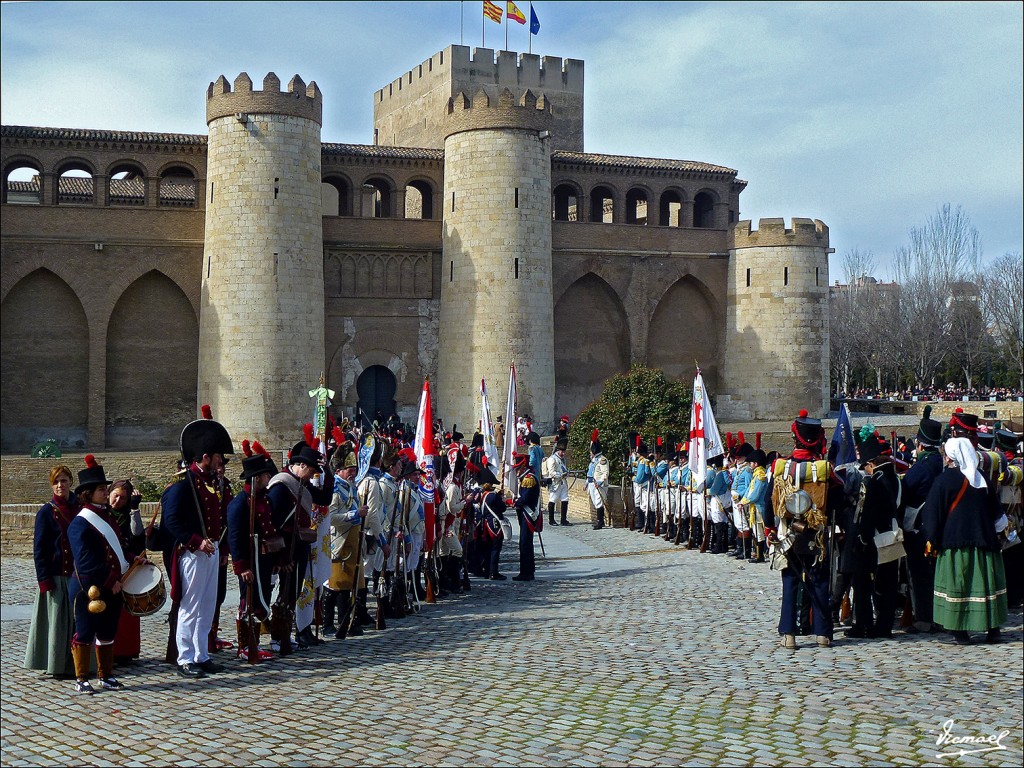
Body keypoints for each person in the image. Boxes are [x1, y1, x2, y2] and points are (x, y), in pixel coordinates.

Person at [161, 406, 234, 678]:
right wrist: (196, 542)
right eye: (218, 458)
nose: (221, 463)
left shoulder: (215, 484)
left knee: (208, 605)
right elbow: (172, 521)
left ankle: (202, 654)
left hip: (212, 551)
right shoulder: (184, 485)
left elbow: (222, 520)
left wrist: (221, 548)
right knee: (191, 606)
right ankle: (185, 657)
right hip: (193, 553)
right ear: (205, 457)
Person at [922, 437, 1007, 644]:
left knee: (959, 585)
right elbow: (999, 516)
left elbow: (932, 513)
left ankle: (960, 631)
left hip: (955, 545)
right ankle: (993, 629)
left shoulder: (944, 481)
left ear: (950, 457)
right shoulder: (982, 480)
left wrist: (931, 537)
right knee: (986, 586)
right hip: (984, 543)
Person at [764, 410, 837, 650]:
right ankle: (823, 634)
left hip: (788, 533)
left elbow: (768, 501)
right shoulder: (825, 471)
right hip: (816, 534)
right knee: (819, 582)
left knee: (790, 582)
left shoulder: (780, 467)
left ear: (795, 438)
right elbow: (840, 498)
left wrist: (769, 529)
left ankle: (788, 634)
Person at [67, 455, 133, 694]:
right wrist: (110, 581)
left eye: (105, 489)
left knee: (107, 631)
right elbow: (86, 562)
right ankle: (81, 678)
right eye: (101, 490)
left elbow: (117, 548)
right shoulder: (80, 524)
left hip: (111, 585)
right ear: (88, 493)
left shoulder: (107, 516)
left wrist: (132, 560)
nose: (106, 493)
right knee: (84, 632)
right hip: (89, 587)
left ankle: (105, 676)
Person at [267, 438, 335, 650]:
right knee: (284, 594)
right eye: (312, 470)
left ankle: (287, 633)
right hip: (287, 547)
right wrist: (281, 557)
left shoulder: (301, 484)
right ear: (302, 466)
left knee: (294, 591)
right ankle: (278, 638)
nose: (313, 476)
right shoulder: (281, 485)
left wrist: (329, 470)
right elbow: (275, 524)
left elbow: (323, 499)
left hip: (301, 544)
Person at [844, 431, 902, 639]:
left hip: (875, 540)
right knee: (887, 585)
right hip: (892, 534)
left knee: (863, 585)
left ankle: (864, 625)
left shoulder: (876, 482)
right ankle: (884, 626)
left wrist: (862, 538)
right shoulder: (895, 479)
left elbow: (869, 514)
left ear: (871, 464)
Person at [25, 464, 79, 679]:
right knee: (57, 623)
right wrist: (44, 579)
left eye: (64, 481)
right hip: (56, 574)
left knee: (78, 621)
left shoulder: (80, 508)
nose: (60, 485)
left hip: (78, 574)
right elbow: (39, 549)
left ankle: (79, 662)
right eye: (56, 482)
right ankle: (56, 665)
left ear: (70, 483)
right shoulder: (46, 512)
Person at [226, 441, 279, 660]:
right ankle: (245, 646)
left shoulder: (263, 500)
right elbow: (235, 537)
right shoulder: (240, 504)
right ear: (257, 478)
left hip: (264, 560)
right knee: (248, 603)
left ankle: (255, 643)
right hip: (250, 561)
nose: (269, 479)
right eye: (266, 476)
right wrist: (241, 566)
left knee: (261, 600)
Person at [901, 408, 945, 631]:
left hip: (920, 530)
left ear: (919, 444)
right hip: (943, 527)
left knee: (919, 576)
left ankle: (924, 618)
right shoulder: (944, 464)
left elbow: (905, 493)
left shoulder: (920, 468)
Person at [107, 479, 145, 665]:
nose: (117, 501)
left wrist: (134, 509)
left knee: (127, 613)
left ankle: (126, 651)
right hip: (109, 568)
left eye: (123, 498)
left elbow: (137, 534)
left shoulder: (127, 514)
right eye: (115, 496)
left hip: (127, 568)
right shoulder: (103, 513)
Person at [512, 452, 541, 581]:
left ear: (523, 466)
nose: (516, 471)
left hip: (528, 515)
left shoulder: (529, 479)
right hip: (525, 514)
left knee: (525, 544)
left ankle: (526, 572)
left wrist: (512, 502)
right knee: (525, 543)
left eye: (518, 468)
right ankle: (528, 570)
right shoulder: (526, 477)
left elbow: (524, 499)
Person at [546, 439, 571, 527]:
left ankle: (563, 520)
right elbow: (552, 472)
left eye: (564, 451)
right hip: (555, 482)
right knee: (552, 500)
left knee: (565, 499)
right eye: (562, 451)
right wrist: (561, 475)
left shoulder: (562, 459)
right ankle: (551, 520)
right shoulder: (552, 459)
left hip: (563, 482)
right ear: (558, 450)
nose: (563, 453)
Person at [587, 431, 609, 530]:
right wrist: (586, 482)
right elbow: (590, 472)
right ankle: (599, 520)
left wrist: (600, 482)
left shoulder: (602, 460)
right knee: (595, 502)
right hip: (592, 483)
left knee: (599, 502)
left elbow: (605, 473)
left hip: (599, 484)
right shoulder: (594, 460)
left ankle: (600, 521)